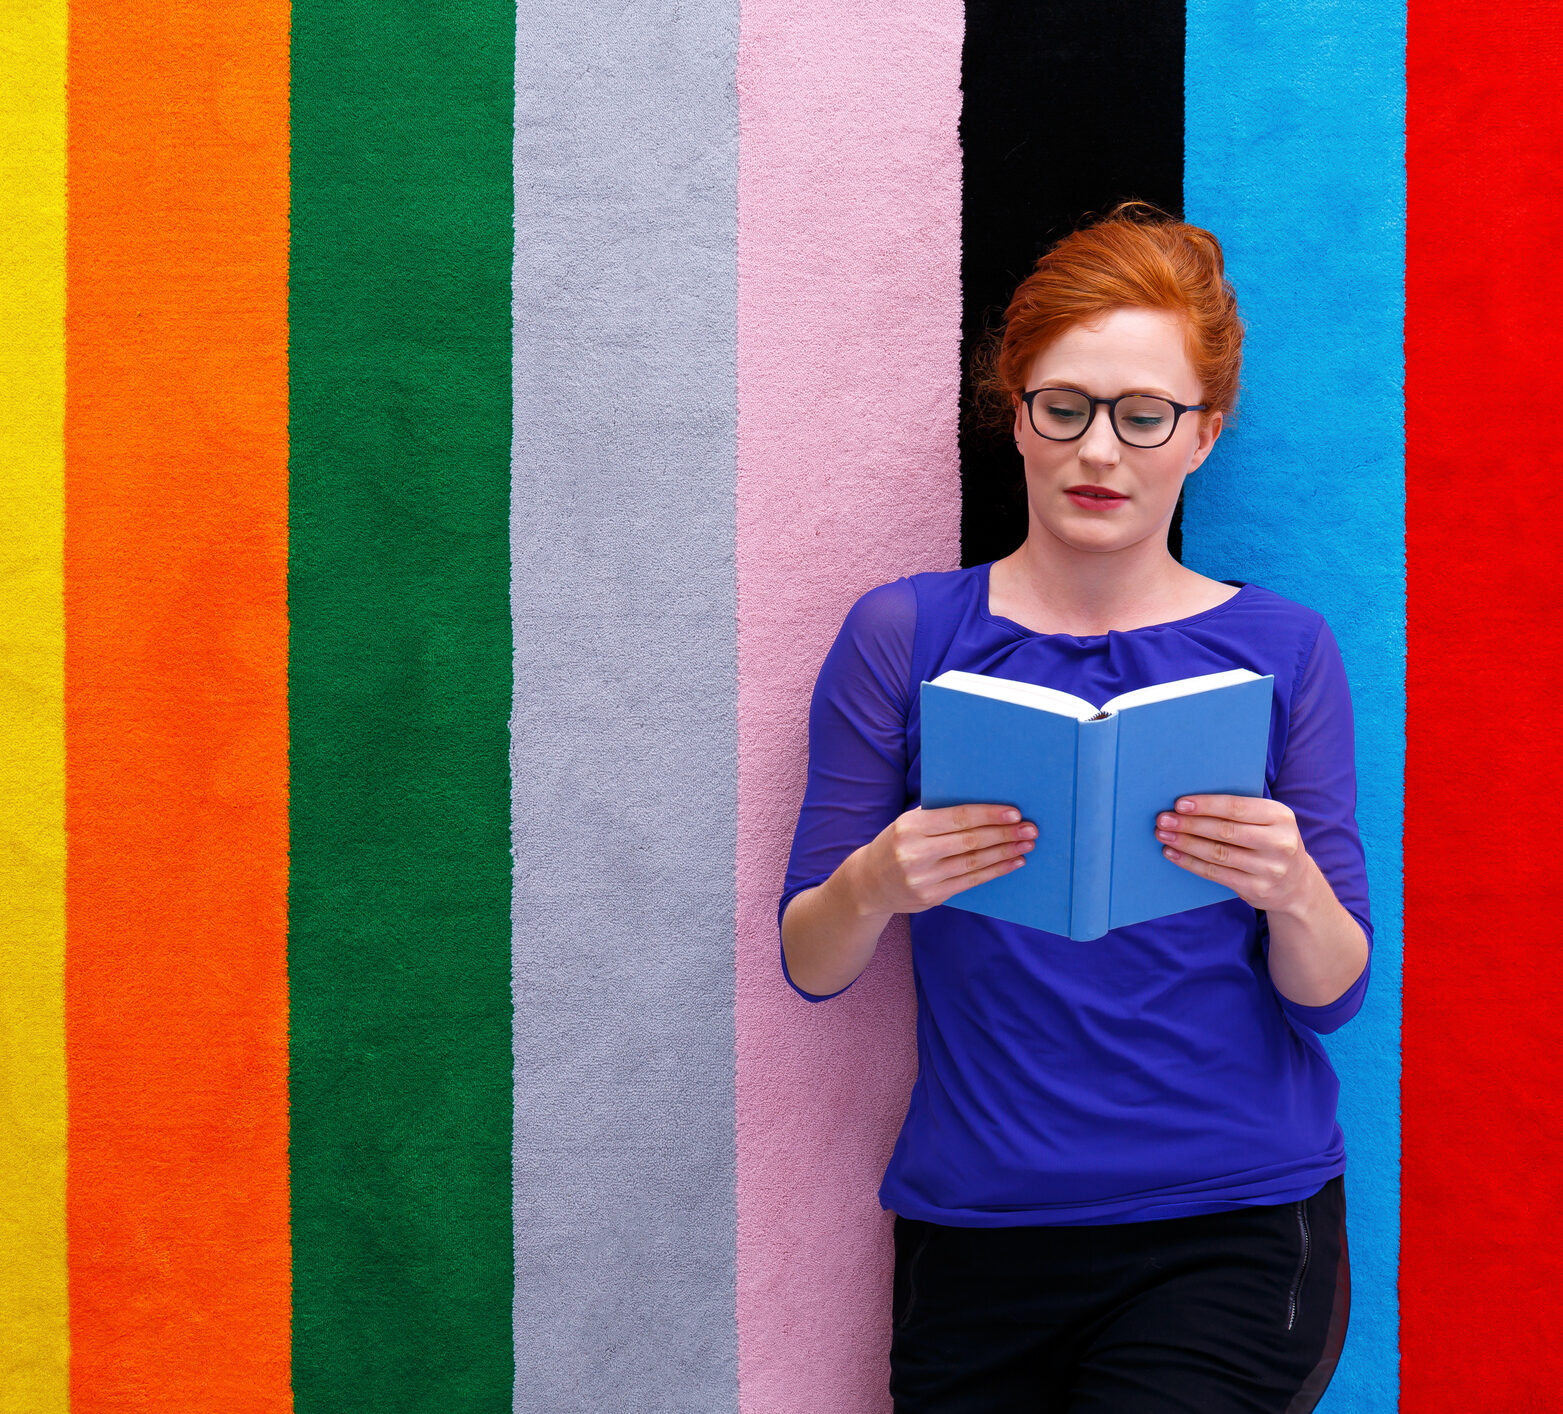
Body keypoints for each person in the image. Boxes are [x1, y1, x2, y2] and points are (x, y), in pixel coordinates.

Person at [776, 203, 1371, 1413]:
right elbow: (810, 959)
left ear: (1202, 435)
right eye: (1068, 406)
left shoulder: (1285, 650)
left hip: (1233, 1220)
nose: (1102, 450)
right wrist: (880, 879)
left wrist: (1289, 882)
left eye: (1144, 416)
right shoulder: (905, 635)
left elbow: (1335, 993)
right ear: (1018, 409)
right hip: (979, 1224)